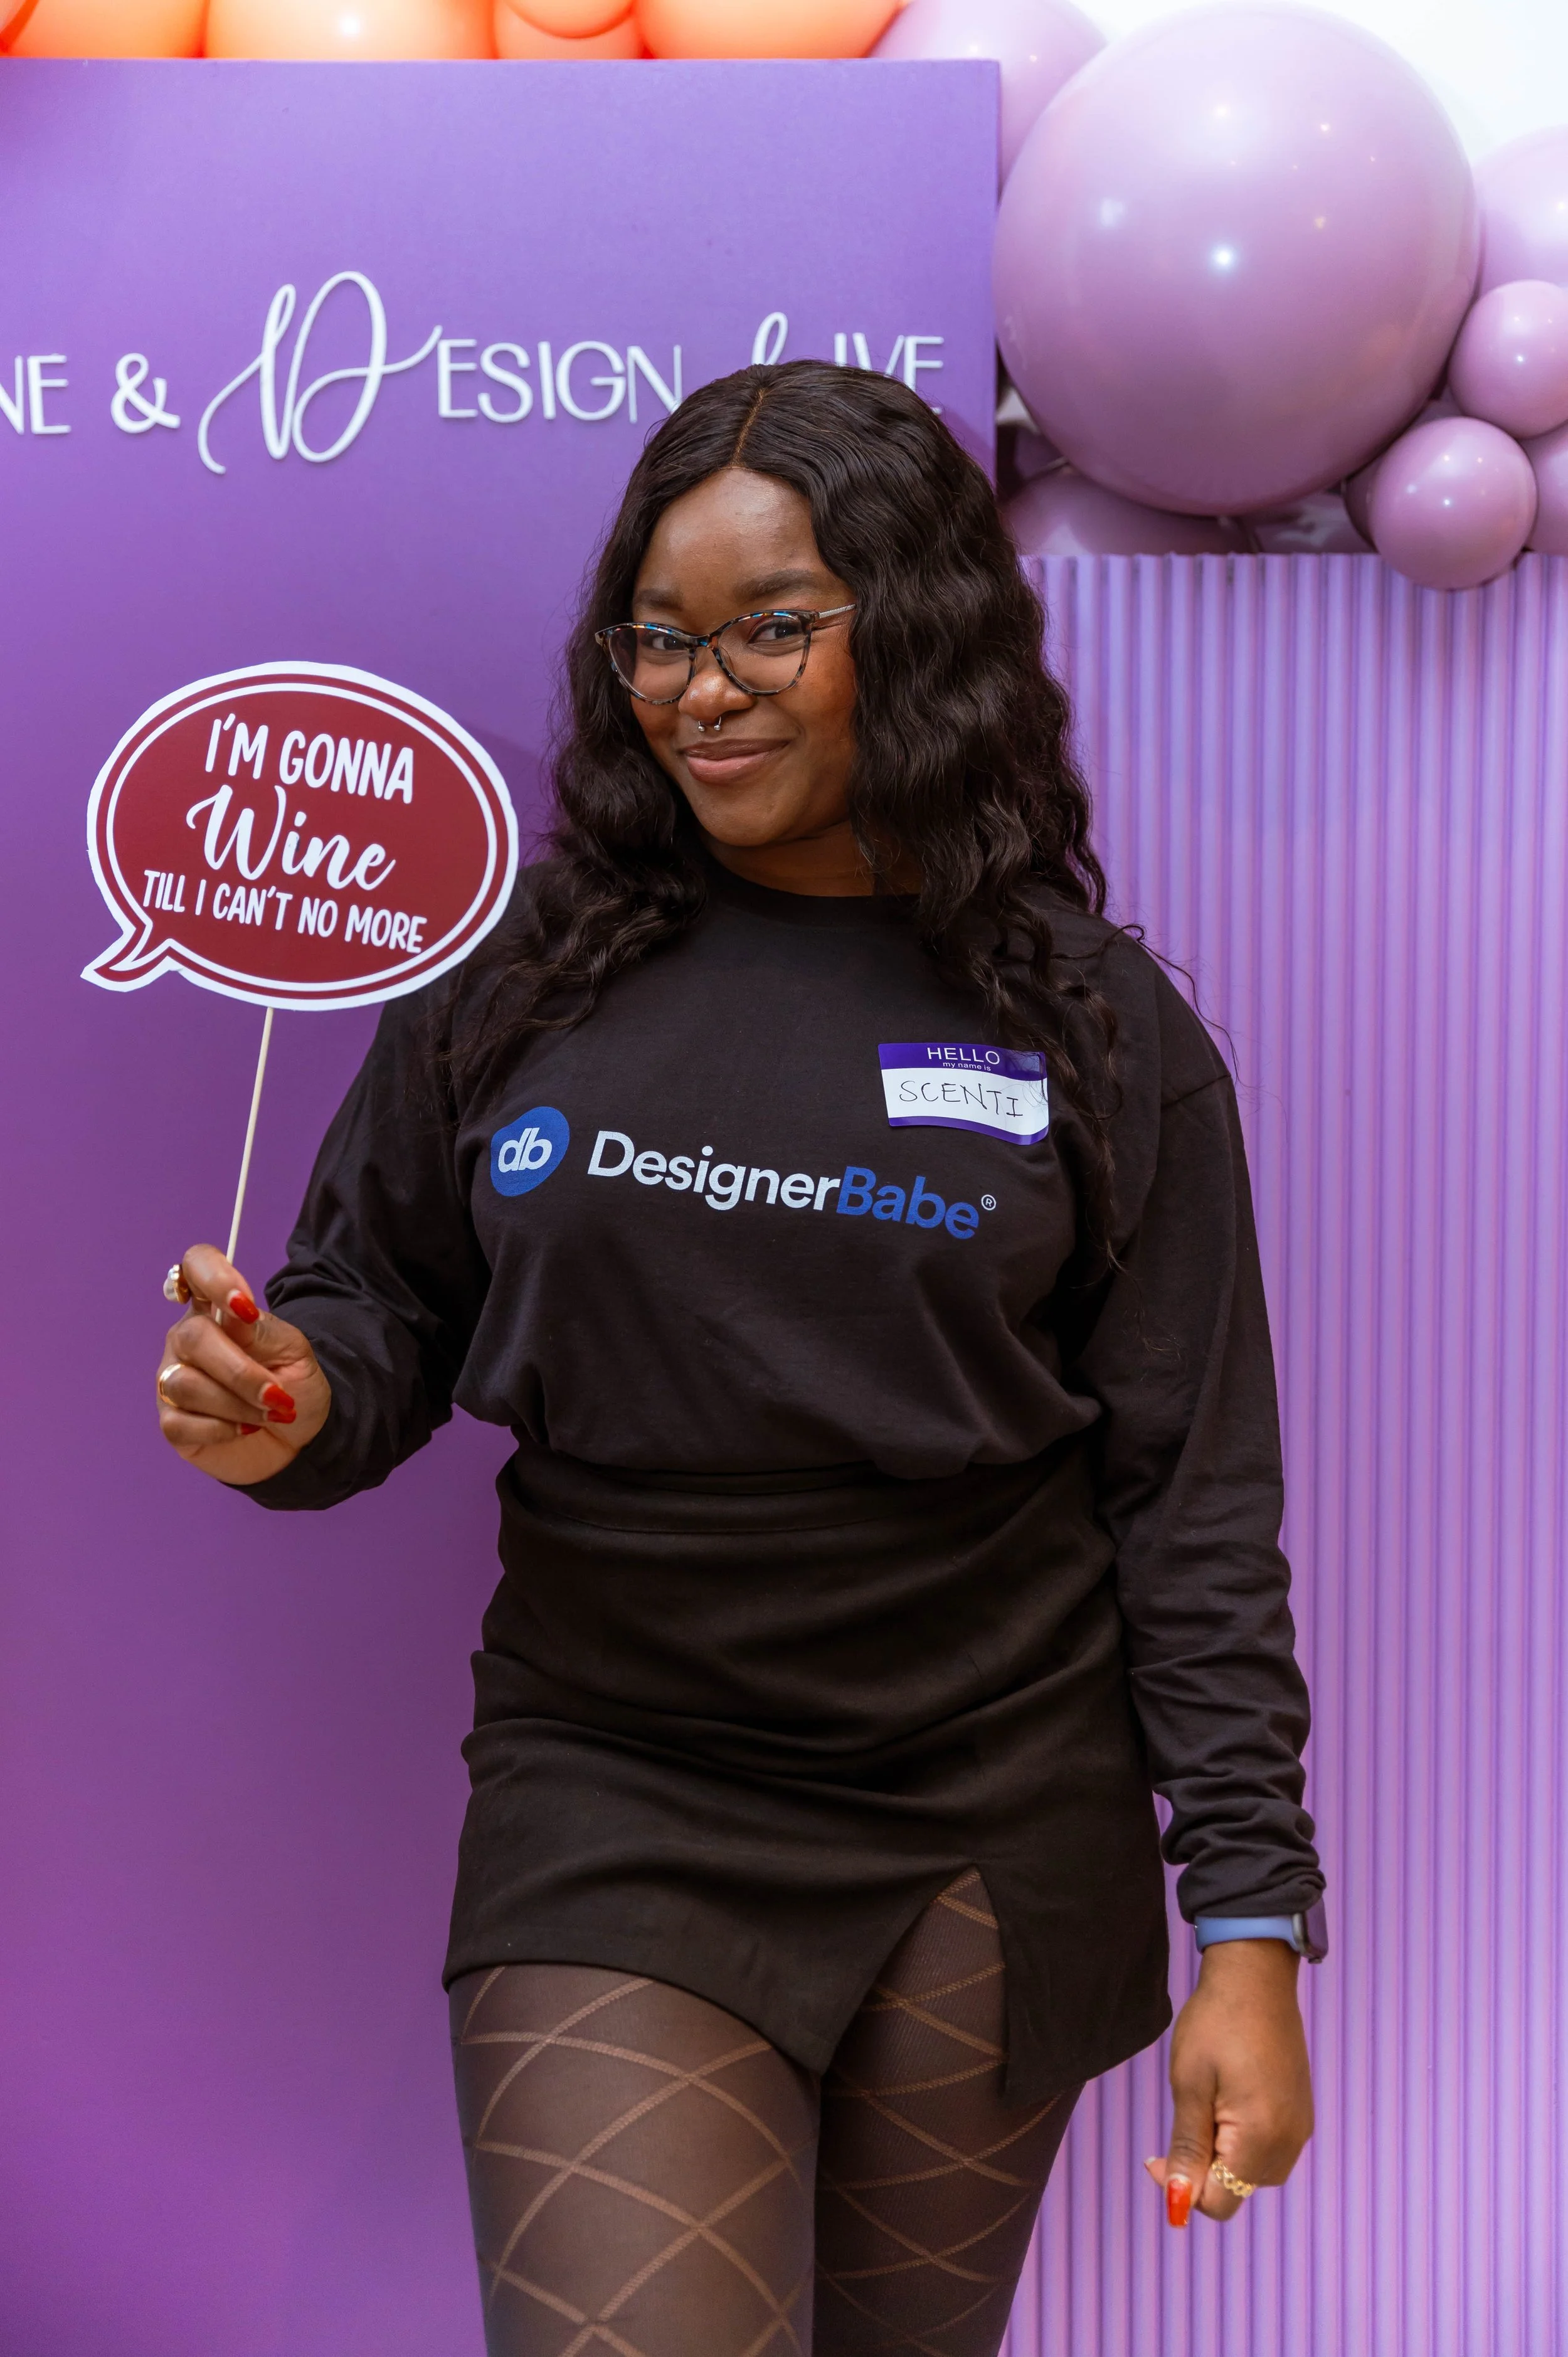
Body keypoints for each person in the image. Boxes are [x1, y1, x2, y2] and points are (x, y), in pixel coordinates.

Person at [152, 359, 1323, 2357]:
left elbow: (1188, 1505)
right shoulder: (522, 981)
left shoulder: (1100, 1031)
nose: (703, 689)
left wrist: (1250, 1929)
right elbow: (377, 1314)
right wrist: (294, 1404)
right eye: (660, 641)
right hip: (622, 1785)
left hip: (983, 1818)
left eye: (775, 627)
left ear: (920, 631)